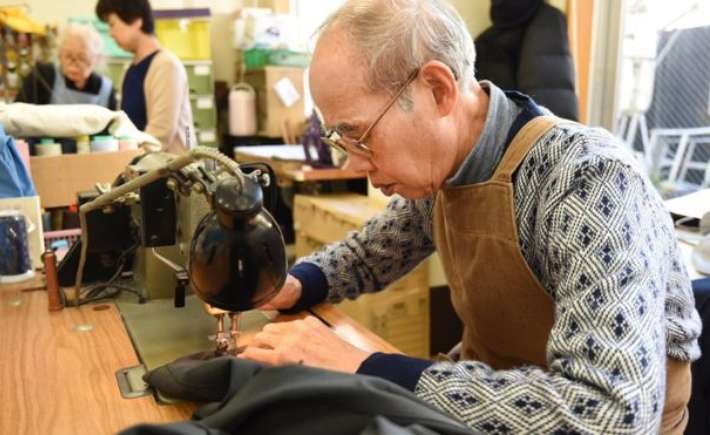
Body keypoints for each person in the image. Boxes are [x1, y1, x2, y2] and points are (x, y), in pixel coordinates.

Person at [239, 1, 703, 434]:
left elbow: (610, 413)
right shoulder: (443, 173)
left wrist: (369, 367)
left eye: (358, 134)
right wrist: (296, 285)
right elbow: (371, 254)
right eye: (341, 138)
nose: (353, 165)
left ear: (437, 90)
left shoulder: (587, 179)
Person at [96, 0, 194, 153]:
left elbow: (159, 135)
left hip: (169, 171)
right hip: (142, 168)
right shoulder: (130, 69)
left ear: (136, 20)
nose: (111, 33)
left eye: (112, 24)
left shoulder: (166, 65)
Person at [15, 24, 117, 109]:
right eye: (68, 56)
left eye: (82, 58)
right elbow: (19, 113)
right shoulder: (42, 76)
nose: (74, 64)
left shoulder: (106, 89)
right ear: (59, 55)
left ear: (97, 59)